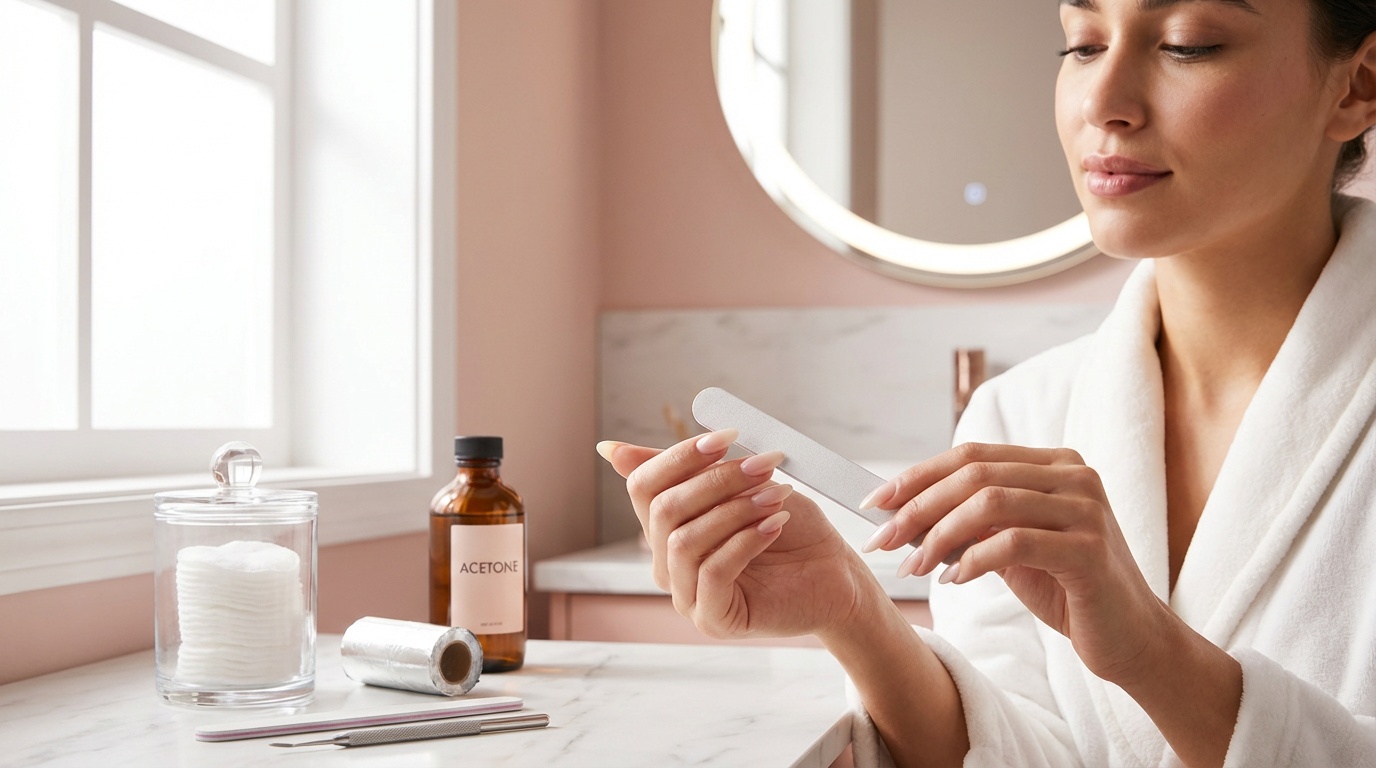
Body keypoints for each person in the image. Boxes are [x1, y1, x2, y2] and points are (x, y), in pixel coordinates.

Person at [596, 0, 1376, 764]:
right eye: (1082, 44)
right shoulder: (1022, 412)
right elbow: (1020, 752)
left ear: (1357, 85)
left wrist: (1150, 652)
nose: (1103, 101)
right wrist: (851, 608)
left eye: (1187, 43)